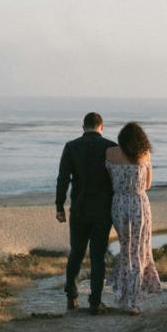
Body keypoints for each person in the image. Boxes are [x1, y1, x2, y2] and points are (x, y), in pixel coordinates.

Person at [55, 111, 116, 314]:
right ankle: (95, 302)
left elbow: (63, 178)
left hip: (79, 209)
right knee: (98, 256)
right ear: (102, 127)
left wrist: (59, 206)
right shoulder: (111, 147)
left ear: (83, 127)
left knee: (77, 252)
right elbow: (118, 180)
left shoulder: (71, 146)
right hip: (103, 209)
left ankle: (72, 296)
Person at [105, 122, 161, 314]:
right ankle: (132, 300)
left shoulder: (110, 153)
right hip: (138, 203)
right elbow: (148, 184)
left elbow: (109, 180)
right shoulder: (144, 154)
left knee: (126, 248)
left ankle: (124, 294)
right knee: (139, 250)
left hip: (118, 204)